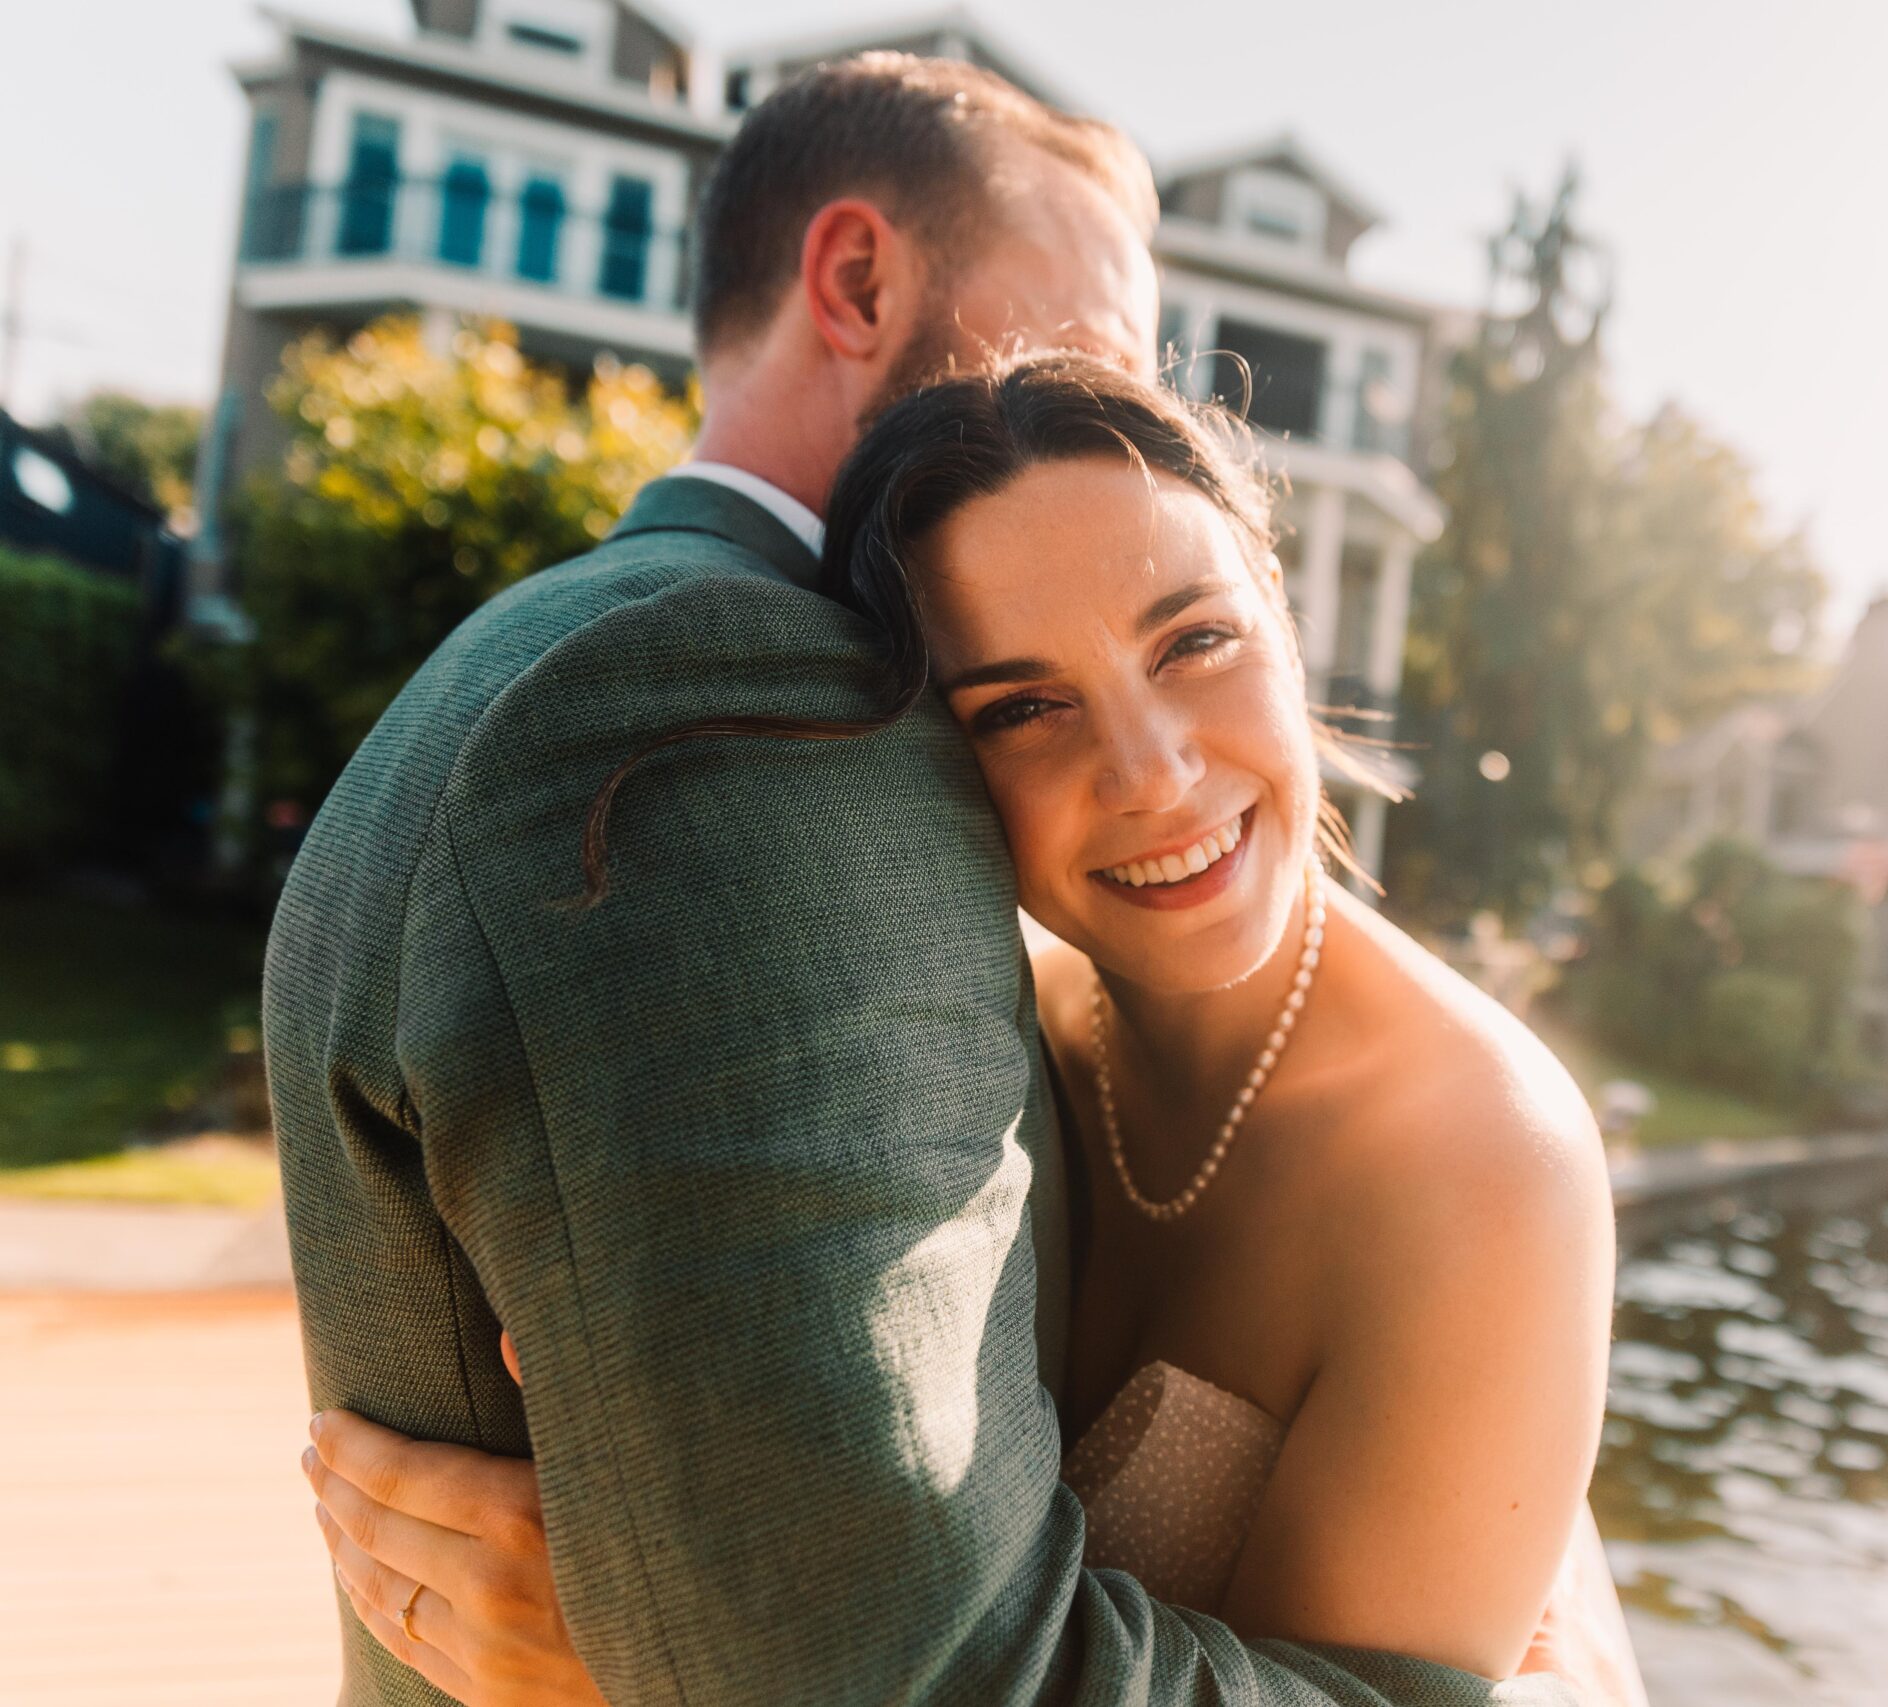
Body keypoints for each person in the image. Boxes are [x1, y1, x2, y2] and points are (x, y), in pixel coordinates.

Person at [266, 47, 1620, 1707]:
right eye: (1020, 705)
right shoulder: (759, 718)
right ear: (855, 276)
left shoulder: (1478, 1146)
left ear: (1279, 608)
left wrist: (648, 1653)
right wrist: (704, 1621)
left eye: (1193, 635)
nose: (1152, 772)